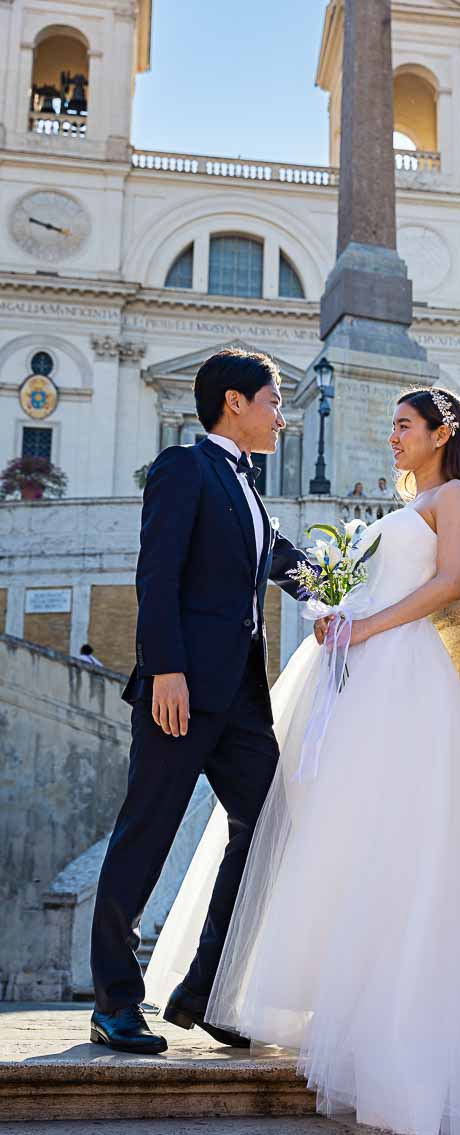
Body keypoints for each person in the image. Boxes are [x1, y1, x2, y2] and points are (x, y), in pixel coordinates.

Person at [145, 385, 460, 1135]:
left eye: (404, 427)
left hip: (403, 680)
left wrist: (368, 624)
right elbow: (351, 584)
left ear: (441, 434)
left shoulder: (451, 497)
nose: (392, 439)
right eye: (392, 427)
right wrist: (335, 610)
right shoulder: (400, 504)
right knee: (327, 835)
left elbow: (449, 582)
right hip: (356, 678)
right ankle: (290, 1001)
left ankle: (392, 1047)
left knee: (396, 847)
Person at [89, 348, 315, 1055]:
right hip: (179, 693)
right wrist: (165, 671)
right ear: (234, 403)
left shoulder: (249, 488)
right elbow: (156, 574)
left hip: (242, 702)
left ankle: (209, 991)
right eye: (274, 400)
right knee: (145, 836)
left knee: (272, 824)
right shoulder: (184, 469)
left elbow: (283, 561)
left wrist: (360, 585)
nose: (283, 414)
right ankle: (115, 1004)